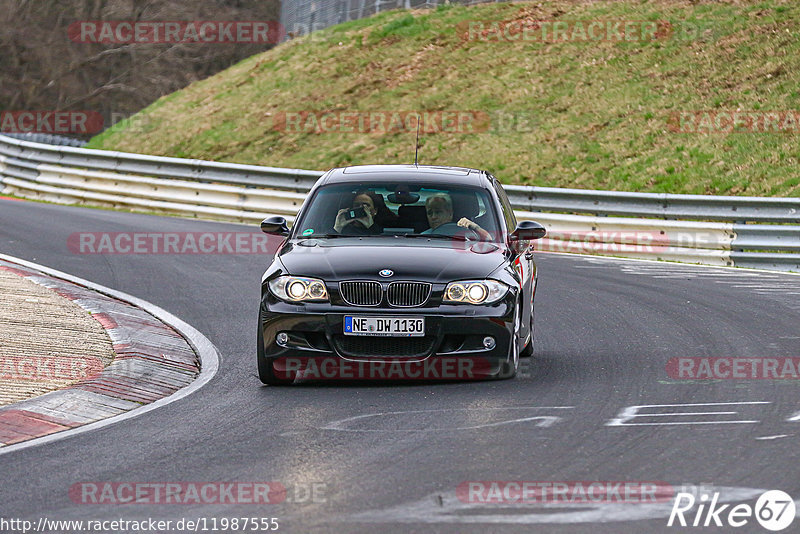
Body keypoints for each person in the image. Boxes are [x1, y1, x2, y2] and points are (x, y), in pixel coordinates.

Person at [421, 193, 491, 240]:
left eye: (438, 212)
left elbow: (489, 240)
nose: (433, 217)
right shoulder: (422, 237)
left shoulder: (468, 233)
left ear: (450, 213)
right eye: (430, 213)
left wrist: (475, 227)